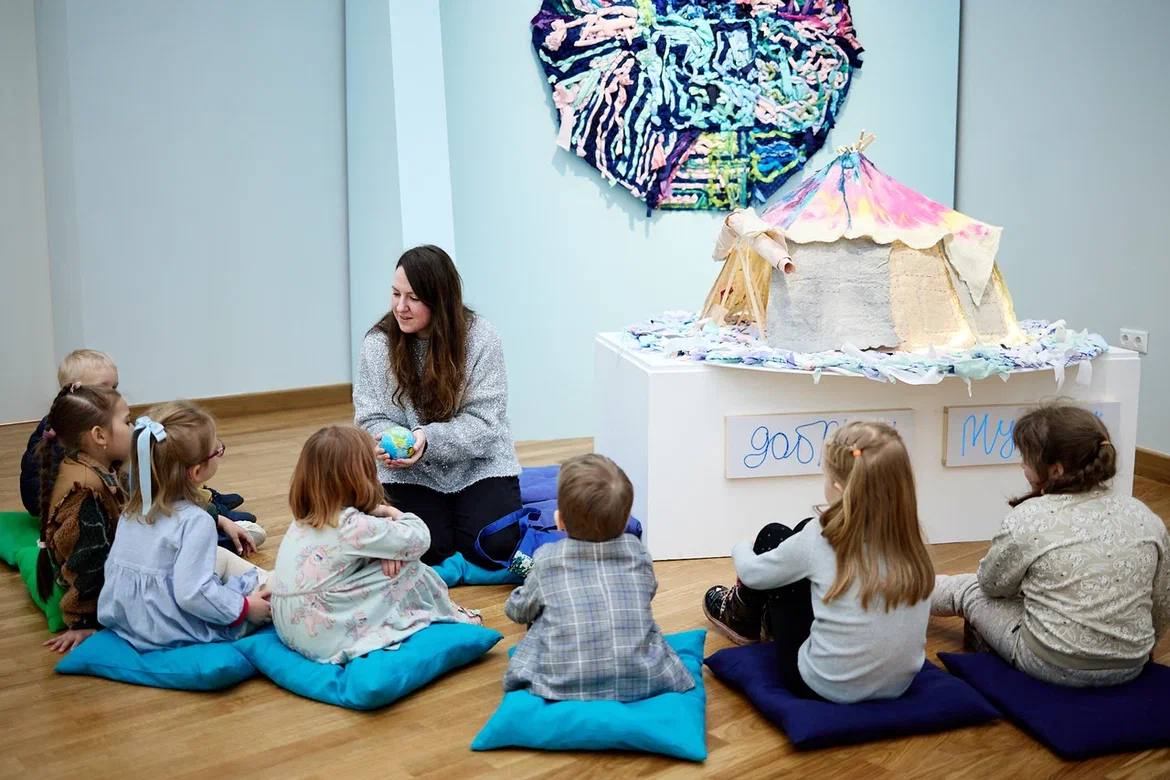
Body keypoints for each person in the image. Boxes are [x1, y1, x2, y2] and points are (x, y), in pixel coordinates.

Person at [932, 404, 1169, 686]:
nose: (1021, 465)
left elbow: (991, 585)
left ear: (1055, 470)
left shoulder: (1028, 518)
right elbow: (1161, 602)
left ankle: (901, 589)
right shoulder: (1145, 516)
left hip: (1051, 665)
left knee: (967, 589)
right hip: (1131, 665)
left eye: (1026, 458)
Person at [354, 245, 521, 568]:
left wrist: (427, 440)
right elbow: (369, 416)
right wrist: (389, 443)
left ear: (439, 299)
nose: (400, 307)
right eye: (395, 294)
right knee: (426, 547)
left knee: (494, 546)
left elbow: (485, 422)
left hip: (478, 463)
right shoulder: (377, 343)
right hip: (408, 471)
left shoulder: (482, 338)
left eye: (413, 298)